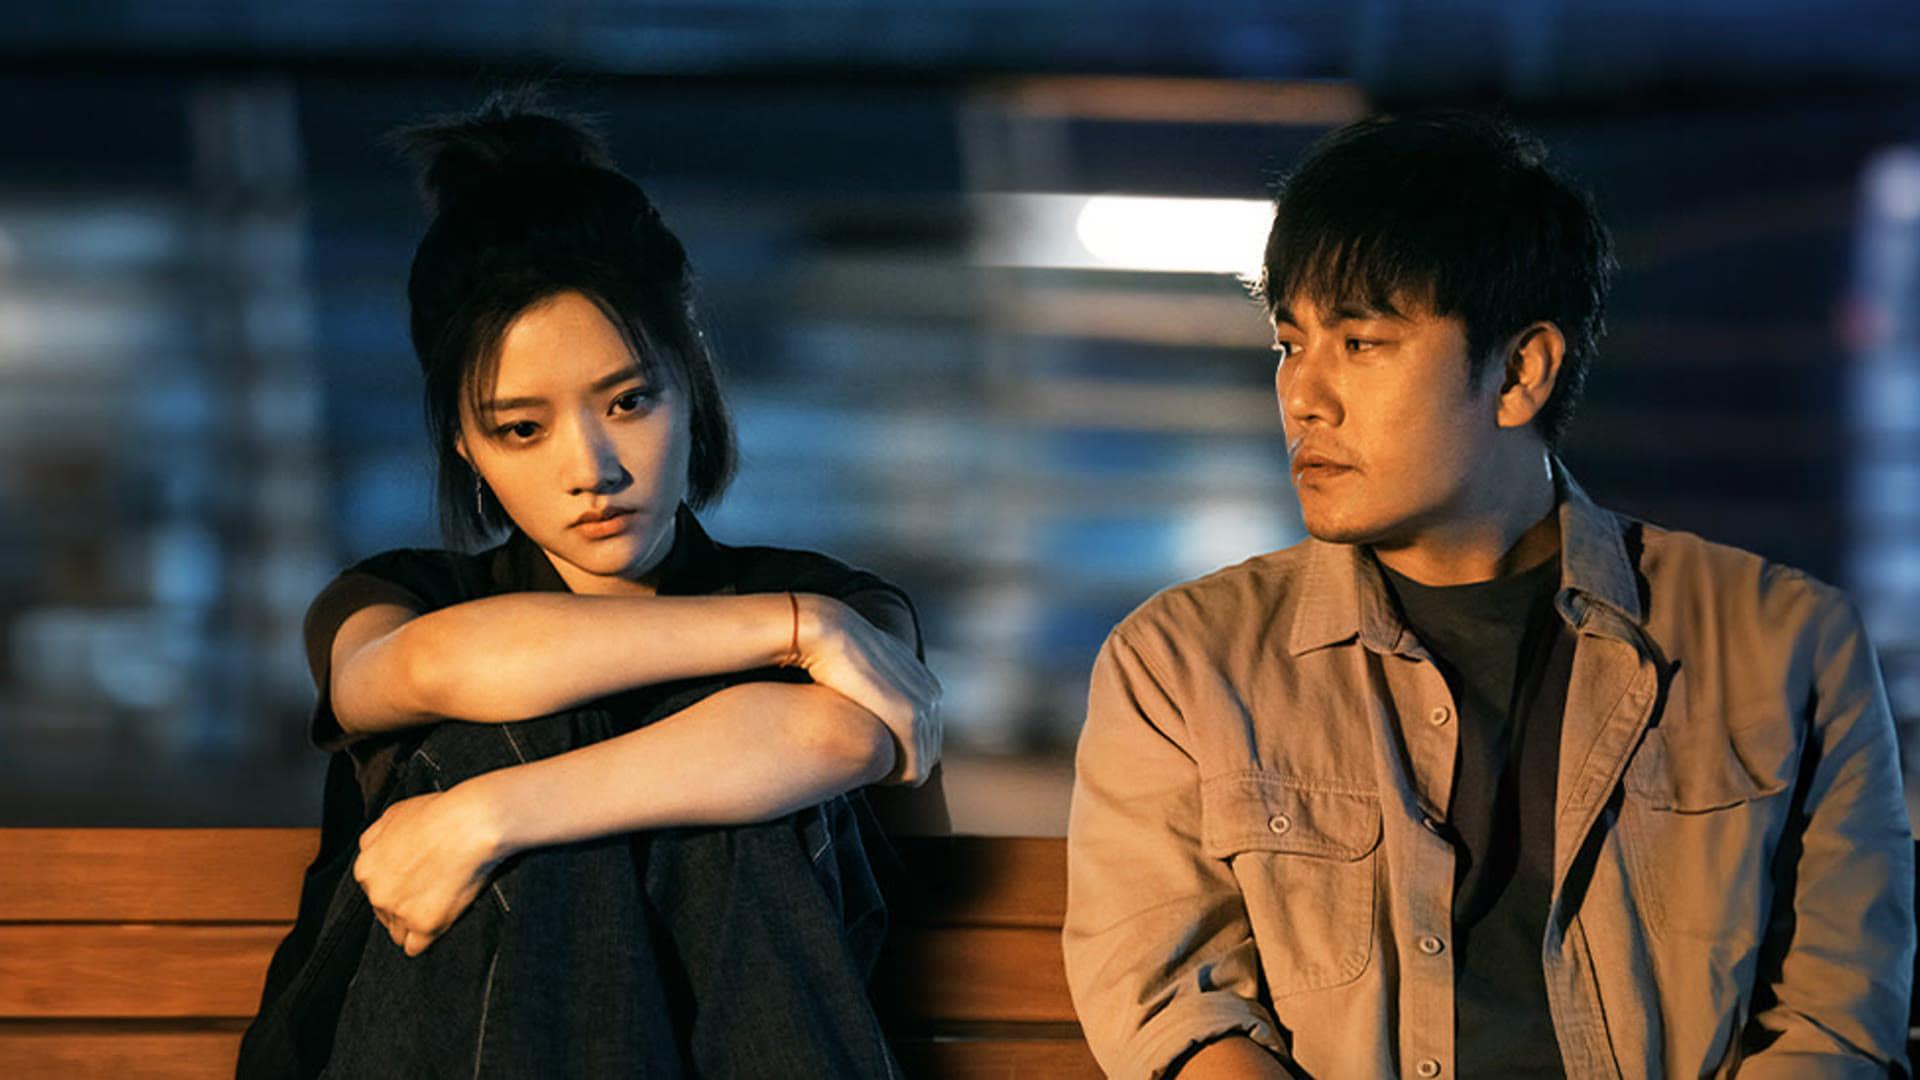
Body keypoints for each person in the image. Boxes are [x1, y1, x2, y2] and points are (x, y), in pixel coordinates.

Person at [1063, 111, 1914, 1079]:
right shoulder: (1182, 665)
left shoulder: (1785, 644)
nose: (1304, 396)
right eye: (1290, 344)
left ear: (1519, 373)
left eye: (1362, 343)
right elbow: (1180, 1013)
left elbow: (1835, 1024)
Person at [239, 93, 944, 1078]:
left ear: (691, 381)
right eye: (522, 428)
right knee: (518, 736)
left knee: (723, 785)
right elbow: (431, 666)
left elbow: (841, 736)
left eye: (628, 401)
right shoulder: (397, 597)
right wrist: (793, 632)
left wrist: (490, 816)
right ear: (464, 442)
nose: (592, 469)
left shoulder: (836, 599)